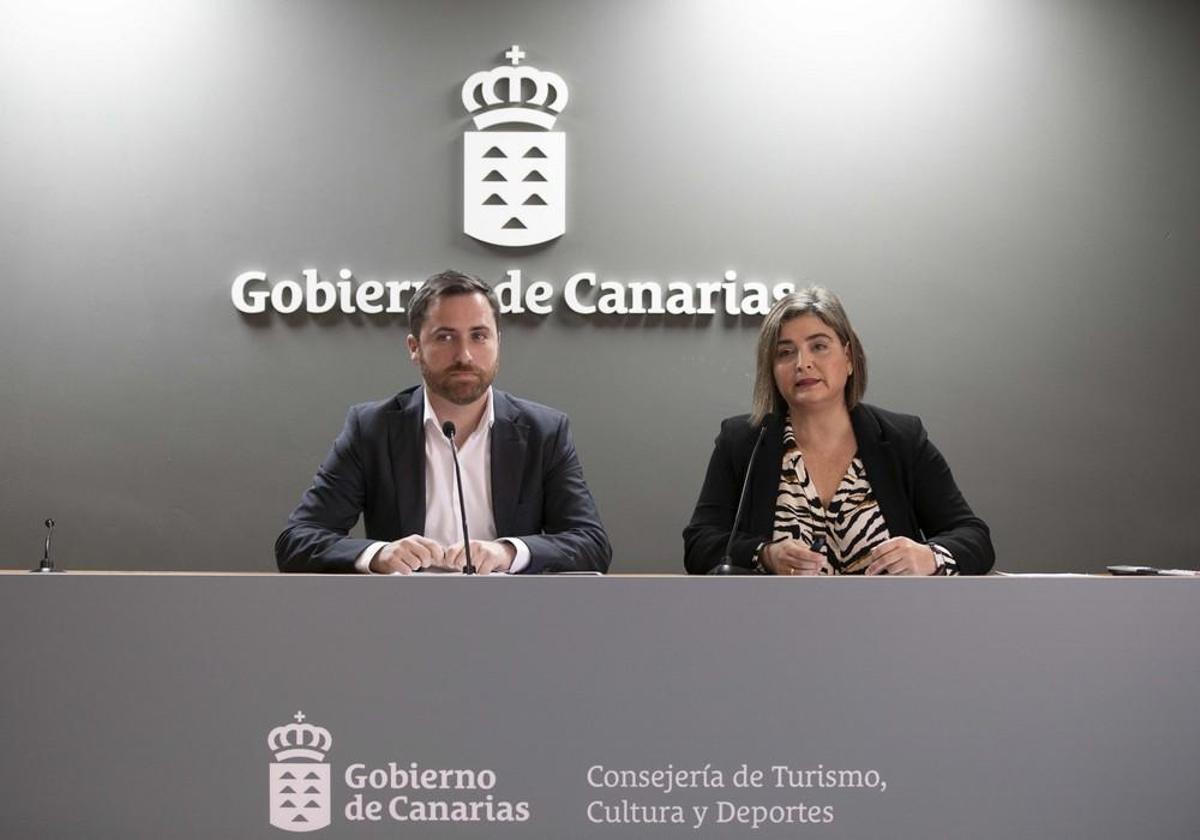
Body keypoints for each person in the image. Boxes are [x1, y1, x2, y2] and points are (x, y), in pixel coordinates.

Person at [276, 270, 611, 575]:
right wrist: (378, 555)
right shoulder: (372, 429)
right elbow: (298, 540)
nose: (464, 355)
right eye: (445, 337)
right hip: (401, 614)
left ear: (498, 343)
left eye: (479, 336)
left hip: (513, 614)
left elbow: (591, 544)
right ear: (414, 347)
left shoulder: (544, 432)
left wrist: (509, 552)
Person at [683, 287, 993, 576]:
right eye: (785, 352)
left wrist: (930, 557)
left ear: (848, 357)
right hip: (773, 616)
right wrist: (764, 554)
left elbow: (974, 537)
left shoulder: (902, 439)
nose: (803, 363)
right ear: (772, 370)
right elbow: (699, 544)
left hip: (890, 616)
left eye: (819, 346)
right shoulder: (743, 442)